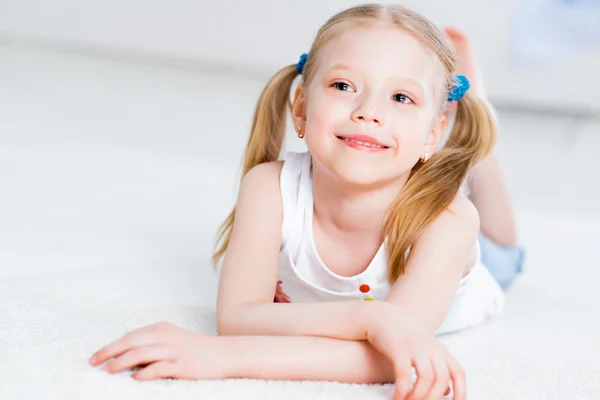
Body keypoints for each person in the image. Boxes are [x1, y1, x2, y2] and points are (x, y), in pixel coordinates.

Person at [89, 4, 525, 400]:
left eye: (401, 97)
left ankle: (478, 111)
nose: (368, 112)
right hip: (390, 291)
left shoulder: (448, 220)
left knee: (504, 252)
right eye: (343, 85)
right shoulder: (268, 188)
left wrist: (222, 358)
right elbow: (239, 318)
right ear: (300, 107)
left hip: (471, 267)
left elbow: (389, 355)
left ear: (433, 133)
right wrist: (372, 320)